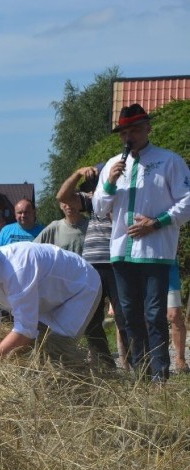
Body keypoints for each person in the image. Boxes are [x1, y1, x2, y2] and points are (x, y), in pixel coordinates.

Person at [93, 104, 190, 383]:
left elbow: (187, 201)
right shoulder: (113, 164)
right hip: (121, 252)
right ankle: (141, 374)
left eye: (134, 129)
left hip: (155, 251)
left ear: (148, 128)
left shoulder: (169, 161)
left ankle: (160, 374)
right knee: (129, 316)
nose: (129, 136)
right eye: (124, 132)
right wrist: (110, 182)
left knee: (155, 314)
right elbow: (99, 208)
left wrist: (156, 222)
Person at [0, 232, 101, 368]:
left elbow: (25, 330)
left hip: (79, 287)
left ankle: (85, 385)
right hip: (46, 298)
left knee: (58, 347)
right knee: (34, 348)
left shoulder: (18, 268)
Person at [56, 164, 129, 369]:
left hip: (116, 262)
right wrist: (78, 173)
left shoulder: (124, 198)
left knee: (124, 318)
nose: (95, 185)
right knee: (91, 319)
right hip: (92, 266)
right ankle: (106, 365)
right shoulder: (93, 200)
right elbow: (62, 196)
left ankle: (135, 365)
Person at [167, 261, 188, 373]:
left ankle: (180, 358)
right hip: (144, 268)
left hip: (169, 268)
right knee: (146, 316)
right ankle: (150, 358)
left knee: (174, 315)